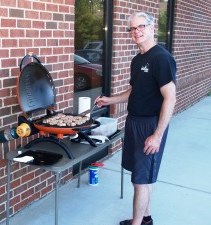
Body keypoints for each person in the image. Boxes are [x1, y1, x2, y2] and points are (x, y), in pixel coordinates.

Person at [95, 11, 176, 225]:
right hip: (134, 121)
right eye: (132, 28)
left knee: (140, 180)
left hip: (150, 124)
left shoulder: (162, 58)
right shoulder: (138, 59)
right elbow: (135, 91)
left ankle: (137, 223)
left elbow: (170, 98)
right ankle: (145, 218)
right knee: (141, 177)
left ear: (152, 28)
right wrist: (109, 100)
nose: (136, 31)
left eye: (141, 26)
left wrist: (157, 135)